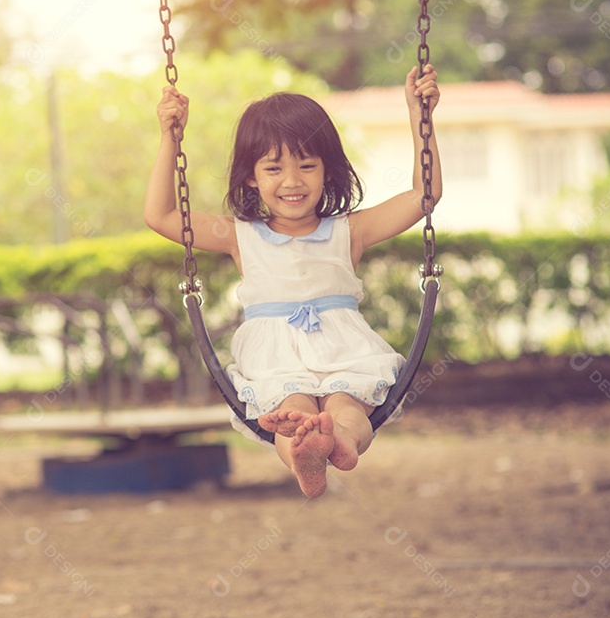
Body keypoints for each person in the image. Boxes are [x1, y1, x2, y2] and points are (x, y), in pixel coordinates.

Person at [143, 65, 442, 498]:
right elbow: (162, 216)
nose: (292, 181)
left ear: (327, 170)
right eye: (273, 168)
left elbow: (424, 196)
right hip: (277, 358)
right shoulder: (239, 235)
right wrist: (170, 137)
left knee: (347, 407)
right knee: (293, 412)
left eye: (306, 165)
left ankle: (339, 443)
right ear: (251, 176)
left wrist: (421, 116)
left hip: (344, 352)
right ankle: (306, 453)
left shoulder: (349, 230)